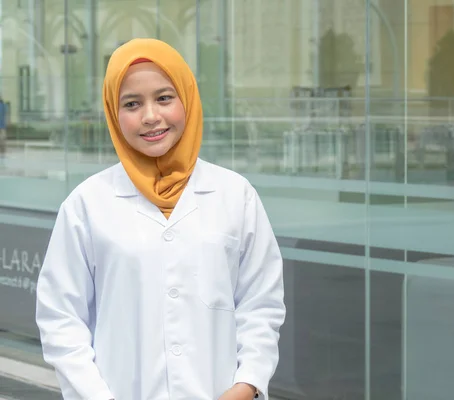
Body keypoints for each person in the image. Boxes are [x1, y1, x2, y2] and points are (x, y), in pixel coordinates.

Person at [35, 38, 286, 400]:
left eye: (164, 98)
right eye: (132, 104)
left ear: (187, 98)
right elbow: (61, 319)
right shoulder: (86, 204)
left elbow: (261, 304)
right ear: (113, 112)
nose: (150, 116)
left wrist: (247, 385)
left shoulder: (235, 195)